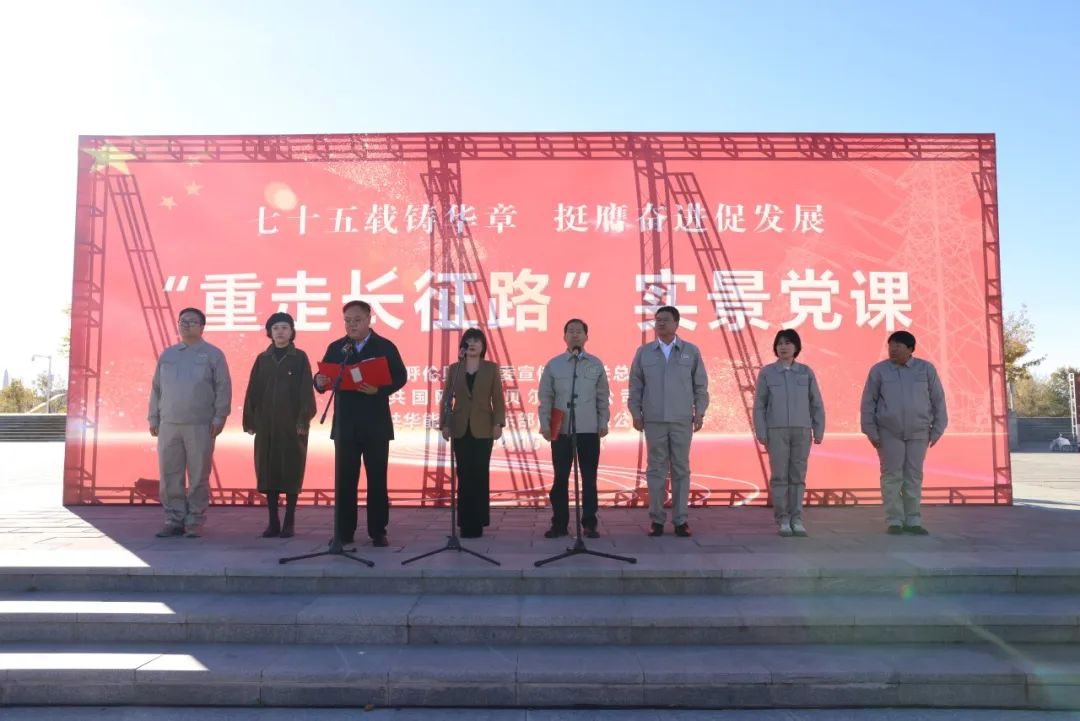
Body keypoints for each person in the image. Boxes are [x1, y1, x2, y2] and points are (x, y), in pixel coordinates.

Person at [314, 300, 407, 548]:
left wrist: (379, 389)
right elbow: (324, 377)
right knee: (345, 480)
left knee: (377, 479)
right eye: (347, 320)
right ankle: (344, 531)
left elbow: (400, 376)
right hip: (345, 425)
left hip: (376, 424)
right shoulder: (337, 347)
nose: (352, 325)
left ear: (368, 319)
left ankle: (378, 531)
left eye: (357, 320)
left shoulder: (384, 346)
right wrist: (319, 381)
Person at [148, 307, 232, 538]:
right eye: (182, 321)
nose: (186, 325)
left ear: (202, 327)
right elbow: (156, 388)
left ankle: (194, 520)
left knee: (198, 475)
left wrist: (220, 416)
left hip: (200, 424)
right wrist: (153, 417)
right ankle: (173, 519)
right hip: (169, 424)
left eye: (192, 321)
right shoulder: (168, 354)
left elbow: (223, 387)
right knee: (170, 474)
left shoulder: (213, 354)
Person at [628, 306, 709, 537]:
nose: (660, 324)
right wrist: (636, 413)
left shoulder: (690, 351)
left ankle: (681, 520)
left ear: (677, 323)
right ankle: (657, 520)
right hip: (654, 420)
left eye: (665, 320)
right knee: (656, 469)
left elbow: (700, 386)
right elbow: (635, 385)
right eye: (657, 320)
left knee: (681, 469)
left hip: (682, 419)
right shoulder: (644, 352)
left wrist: (700, 412)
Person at [860, 330, 948, 535]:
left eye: (898, 346)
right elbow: (868, 402)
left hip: (919, 432)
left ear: (910, 349)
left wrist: (937, 429)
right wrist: (870, 431)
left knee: (913, 476)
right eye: (891, 345)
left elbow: (938, 400)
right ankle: (895, 520)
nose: (893, 349)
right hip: (889, 432)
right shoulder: (879, 371)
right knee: (891, 476)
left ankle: (913, 520)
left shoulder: (926, 369)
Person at [242, 312, 316, 538]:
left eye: (284, 327)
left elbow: (306, 391)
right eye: (275, 328)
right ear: (269, 332)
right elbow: (253, 391)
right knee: (268, 471)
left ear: (292, 332)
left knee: (291, 469)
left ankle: (289, 521)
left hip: (292, 425)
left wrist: (303, 419)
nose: (280, 332)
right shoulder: (262, 359)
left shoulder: (300, 357)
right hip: (266, 424)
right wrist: (250, 420)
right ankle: (273, 521)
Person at [538, 318, 610, 539]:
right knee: (560, 477)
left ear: (586, 337)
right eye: (571, 331)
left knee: (589, 478)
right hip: (562, 429)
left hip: (588, 428)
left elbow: (602, 396)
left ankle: (589, 523)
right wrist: (545, 424)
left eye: (579, 331)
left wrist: (603, 422)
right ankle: (559, 523)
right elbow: (545, 397)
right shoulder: (554, 364)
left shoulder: (595, 364)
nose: (575, 334)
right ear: (564, 336)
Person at [752, 329, 825, 538]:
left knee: (798, 476)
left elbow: (816, 403)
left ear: (796, 347)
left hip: (802, 430)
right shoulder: (767, 373)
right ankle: (783, 519)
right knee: (779, 476)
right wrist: (761, 431)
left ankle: (797, 518)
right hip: (776, 431)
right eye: (780, 343)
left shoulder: (806, 372)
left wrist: (818, 429)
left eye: (788, 343)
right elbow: (759, 405)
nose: (783, 347)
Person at [440, 328, 506, 538]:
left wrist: (498, 424)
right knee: (463, 475)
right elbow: (447, 398)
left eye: (477, 341)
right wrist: (445, 424)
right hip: (460, 428)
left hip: (483, 428)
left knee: (479, 474)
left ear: (483, 346)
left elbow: (498, 398)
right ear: (463, 346)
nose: (473, 344)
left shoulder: (491, 369)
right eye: (469, 341)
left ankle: (478, 522)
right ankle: (464, 523)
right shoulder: (455, 368)